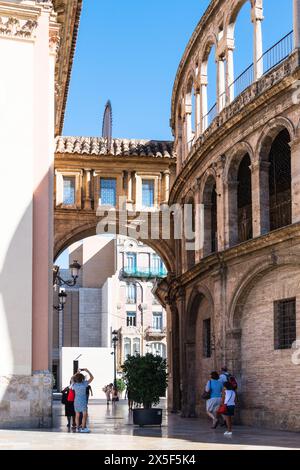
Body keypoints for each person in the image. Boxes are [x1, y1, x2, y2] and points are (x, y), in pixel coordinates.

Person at [72, 368, 94, 433]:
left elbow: (72, 378)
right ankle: (83, 428)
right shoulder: (84, 384)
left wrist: (77, 372)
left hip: (76, 401)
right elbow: (92, 377)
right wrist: (87, 370)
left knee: (77, 415)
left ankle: (77, 428)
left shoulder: (74, 384)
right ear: (82, 379)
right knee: (84, 415)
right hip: (83, 401)